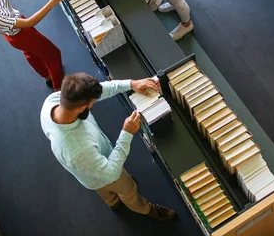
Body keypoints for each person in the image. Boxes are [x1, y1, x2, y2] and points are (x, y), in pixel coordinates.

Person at [40, 73, 176, 221]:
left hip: (89, 171)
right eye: (93, 101)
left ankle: (113, 203)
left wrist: (131, 83)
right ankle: (145, 209)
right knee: (128, 190)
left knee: (104, 192)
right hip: (105, 174)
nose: (95, 102)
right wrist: (127, 133)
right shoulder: (77, 148)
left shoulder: (53, 101)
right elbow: (111, 173)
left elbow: (99, 91)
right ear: (81, 108)